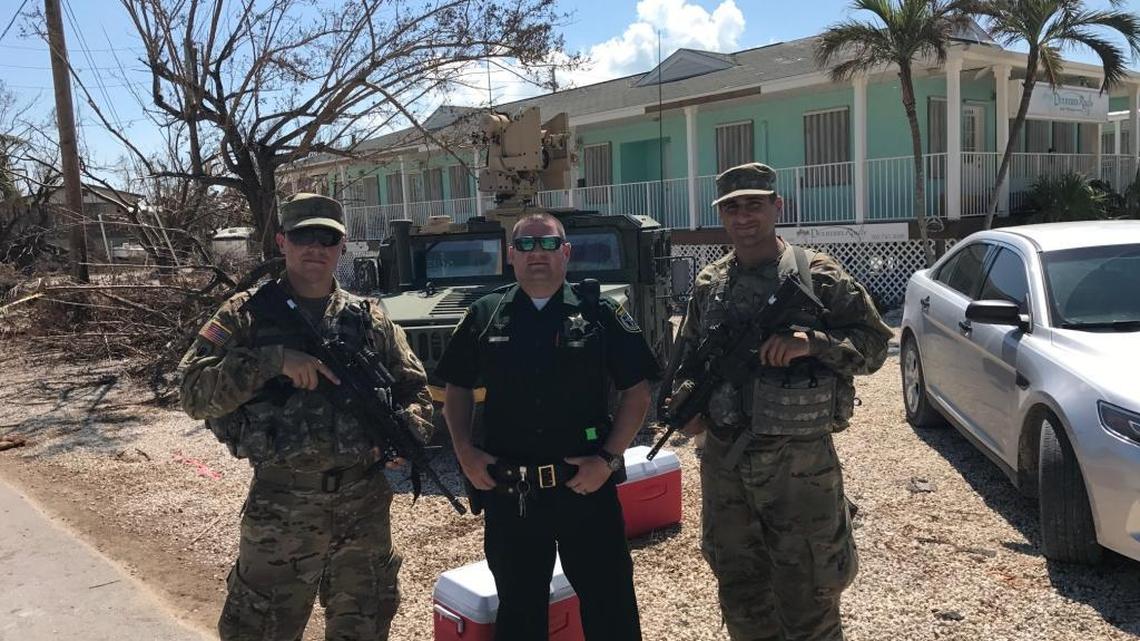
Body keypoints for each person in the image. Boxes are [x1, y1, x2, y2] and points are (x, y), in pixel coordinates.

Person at [179, 193, 433, 641]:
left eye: (327, 238)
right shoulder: (245, 315)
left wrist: (404, 432)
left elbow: (416, 390)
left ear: (342, 246)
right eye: (303, 236)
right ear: (282, 242)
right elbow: (192, 392)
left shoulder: (369, 318)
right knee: (260, 628)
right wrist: (271, 361)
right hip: (282, 505)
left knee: (366, 621)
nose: (315, 247)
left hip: (364, 502)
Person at [669, 163, 892, 641]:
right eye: (732, 207)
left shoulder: (817, 275)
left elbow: (874, 346)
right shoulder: (711, 283)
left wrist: (814, 343)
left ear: (776, 206)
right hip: (725, 465)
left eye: (754, 204)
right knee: (741, 593)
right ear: (721, 216)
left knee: (810, 596)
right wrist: (686, 406)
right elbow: (687, 357)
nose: (743, 216)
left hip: (799, 468)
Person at [436, 212, 658, 641]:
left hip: (586, 489)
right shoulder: (485, 314)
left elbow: (638, 393)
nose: (538, 253)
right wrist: (464, 451)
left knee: (610, 604)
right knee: (519, 612)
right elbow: (456, 388)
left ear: (567, 253)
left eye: (550, 244)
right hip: (511, 494)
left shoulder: (601, 313)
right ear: (510, 255)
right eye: (526, 245)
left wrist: (609, 459)